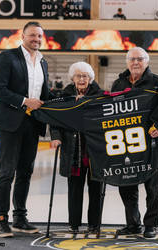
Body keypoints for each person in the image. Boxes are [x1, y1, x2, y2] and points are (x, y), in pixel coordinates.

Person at [0, 21, 54, 238]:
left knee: (26, 173)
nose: (36, 39)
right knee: (7, 172)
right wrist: (25, 101)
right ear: (23, 36)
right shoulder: (8, 57)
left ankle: (19, 218)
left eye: (39, 36)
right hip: (10, 122)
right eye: (32, 35)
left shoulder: (43, 62)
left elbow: (44, 96)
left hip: (32, 124)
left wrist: (70, 99)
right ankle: (0, 219)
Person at [111, 47, 158, 238]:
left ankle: (150, 225)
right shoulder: (118, 83)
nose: (136, 63)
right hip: (125, 143)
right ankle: (133, 224)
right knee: (126, 185)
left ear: (147, 61)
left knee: (152, 186)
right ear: (127, 62)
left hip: (151, 143)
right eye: (132, 59)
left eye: (140, 59)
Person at [50, 62, 104, 233]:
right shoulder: (64, 97)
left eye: (85, 76)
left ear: (90, 78)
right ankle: (74, 224)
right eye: (78, 76)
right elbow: (55, 120)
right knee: (74, 189)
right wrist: (56, 138)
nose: (81, 79)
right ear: (72, 78)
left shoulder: (100, 95)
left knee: (96, 190)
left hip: (95, 151)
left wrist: (86, 102)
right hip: (73, 150)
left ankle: (94, 224)